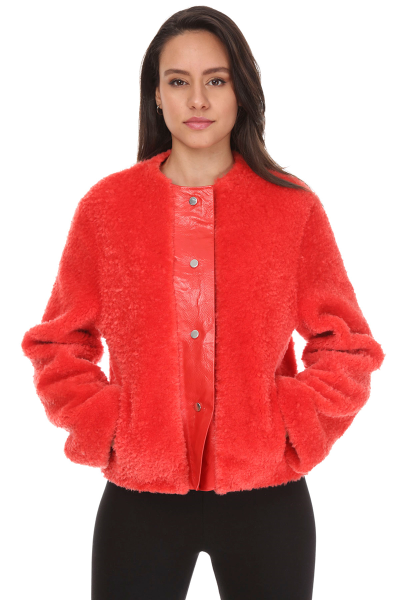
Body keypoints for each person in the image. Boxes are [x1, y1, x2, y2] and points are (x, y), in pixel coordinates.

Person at [21, 6, 385, 600]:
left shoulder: (292, 209)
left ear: (242, 90)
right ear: (155, 95)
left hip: (268, 502)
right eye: (178, 81)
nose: (197, 100)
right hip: (139, 501)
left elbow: (346, 346)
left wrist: (287, 422)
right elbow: (58, 342)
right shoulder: (107, 209)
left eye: (216, 80)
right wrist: (108, 425)